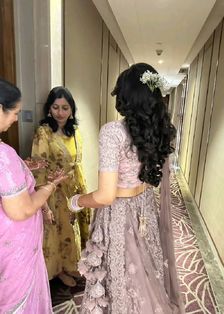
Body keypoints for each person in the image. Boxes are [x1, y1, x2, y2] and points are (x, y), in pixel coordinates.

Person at [68, 63, 185, 313]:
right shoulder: (160, 131)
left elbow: (105, 195)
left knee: (120, 280)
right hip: (144, 209)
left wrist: (77, 200)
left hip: (118, 216)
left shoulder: (113, 133)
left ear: (126, 97)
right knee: (145, 272)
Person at [0, 79, 67, 313]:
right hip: (15, 246)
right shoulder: (4, 155)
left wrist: (23, 166)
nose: (17, 118)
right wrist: (49, 187)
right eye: (15, 112)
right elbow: (21, 210)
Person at [31, 86, 91, 287]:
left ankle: (71, 266)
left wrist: (82, 190)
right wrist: (44, 204)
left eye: (65, 107)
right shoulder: (43, 133)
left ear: (72, 110)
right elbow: (38, 168)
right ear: (49, 109)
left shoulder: (75, 132)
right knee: (57, 232)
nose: (60, 112)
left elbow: (77, 164)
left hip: (73, 189)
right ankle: (58, 272)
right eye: (55, 107)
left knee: (72, 229)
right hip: (53, 191)